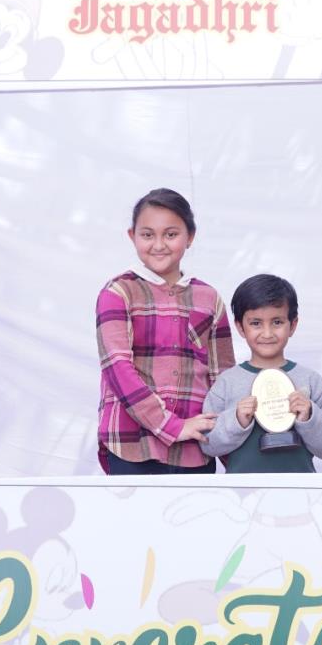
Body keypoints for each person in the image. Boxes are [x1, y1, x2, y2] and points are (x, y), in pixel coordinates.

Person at [96, 188, 234, 474]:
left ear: (190, 237)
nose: (159, 244)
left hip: (195, 449)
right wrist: (172, 426)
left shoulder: (209, 299)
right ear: (132, 236)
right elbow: (117, 368)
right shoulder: (118, 292)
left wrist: (230, 450)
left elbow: (222, 379)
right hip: (131, 446)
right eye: (148, 235)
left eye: (171, 234)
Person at [203, 274, 322, 474]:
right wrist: (236, 420)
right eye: (256, 323)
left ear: (293, 325)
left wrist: (310, 416)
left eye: (277, 322)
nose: (267, 333)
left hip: (300, 488)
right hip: (243, 490)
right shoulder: (227, 383)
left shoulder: (310, 380)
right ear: (240, 327)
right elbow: (207, 443)